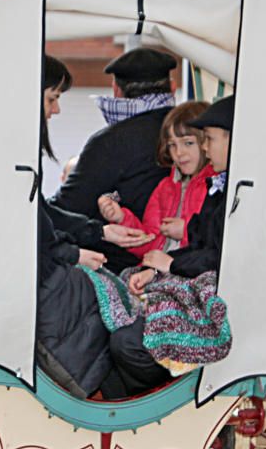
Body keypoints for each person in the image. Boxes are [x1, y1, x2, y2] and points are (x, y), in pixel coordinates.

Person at [35, 55, 153, 399]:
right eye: (51, 98)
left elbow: (43, 215)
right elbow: (35, 223)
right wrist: (74, 254)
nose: (55, 110)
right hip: (44, 280)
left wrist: (100, 232)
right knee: (98, 291)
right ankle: (100, 394)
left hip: (45, 269)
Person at [111, 95, 236, 395]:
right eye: (173, 145)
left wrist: (169, 263)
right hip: (179, 274)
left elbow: (217, 254)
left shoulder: (221, 189)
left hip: (199, 286)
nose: (204, 148)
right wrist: (153, 267)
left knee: (127, 343)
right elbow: (156, 237)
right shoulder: (209, 188)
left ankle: (167, 397)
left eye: (207, 140)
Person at [51, 47, 177, 271]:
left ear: (116, 90)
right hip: (180, 262)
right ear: (173, 87)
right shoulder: (192, 132)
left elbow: (67, 208)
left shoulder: (110, 142)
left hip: (118, 268)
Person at [97, 101, 215, 257]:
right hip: (155, 269)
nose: (179, 152)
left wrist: (187, 232)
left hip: (189, 272)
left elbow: (219, 241)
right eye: (172, 145)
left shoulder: (216, 186)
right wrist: (122, 218)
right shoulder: (165, 188)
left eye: (188, 143)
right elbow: (148, 241)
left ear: (207, 142)